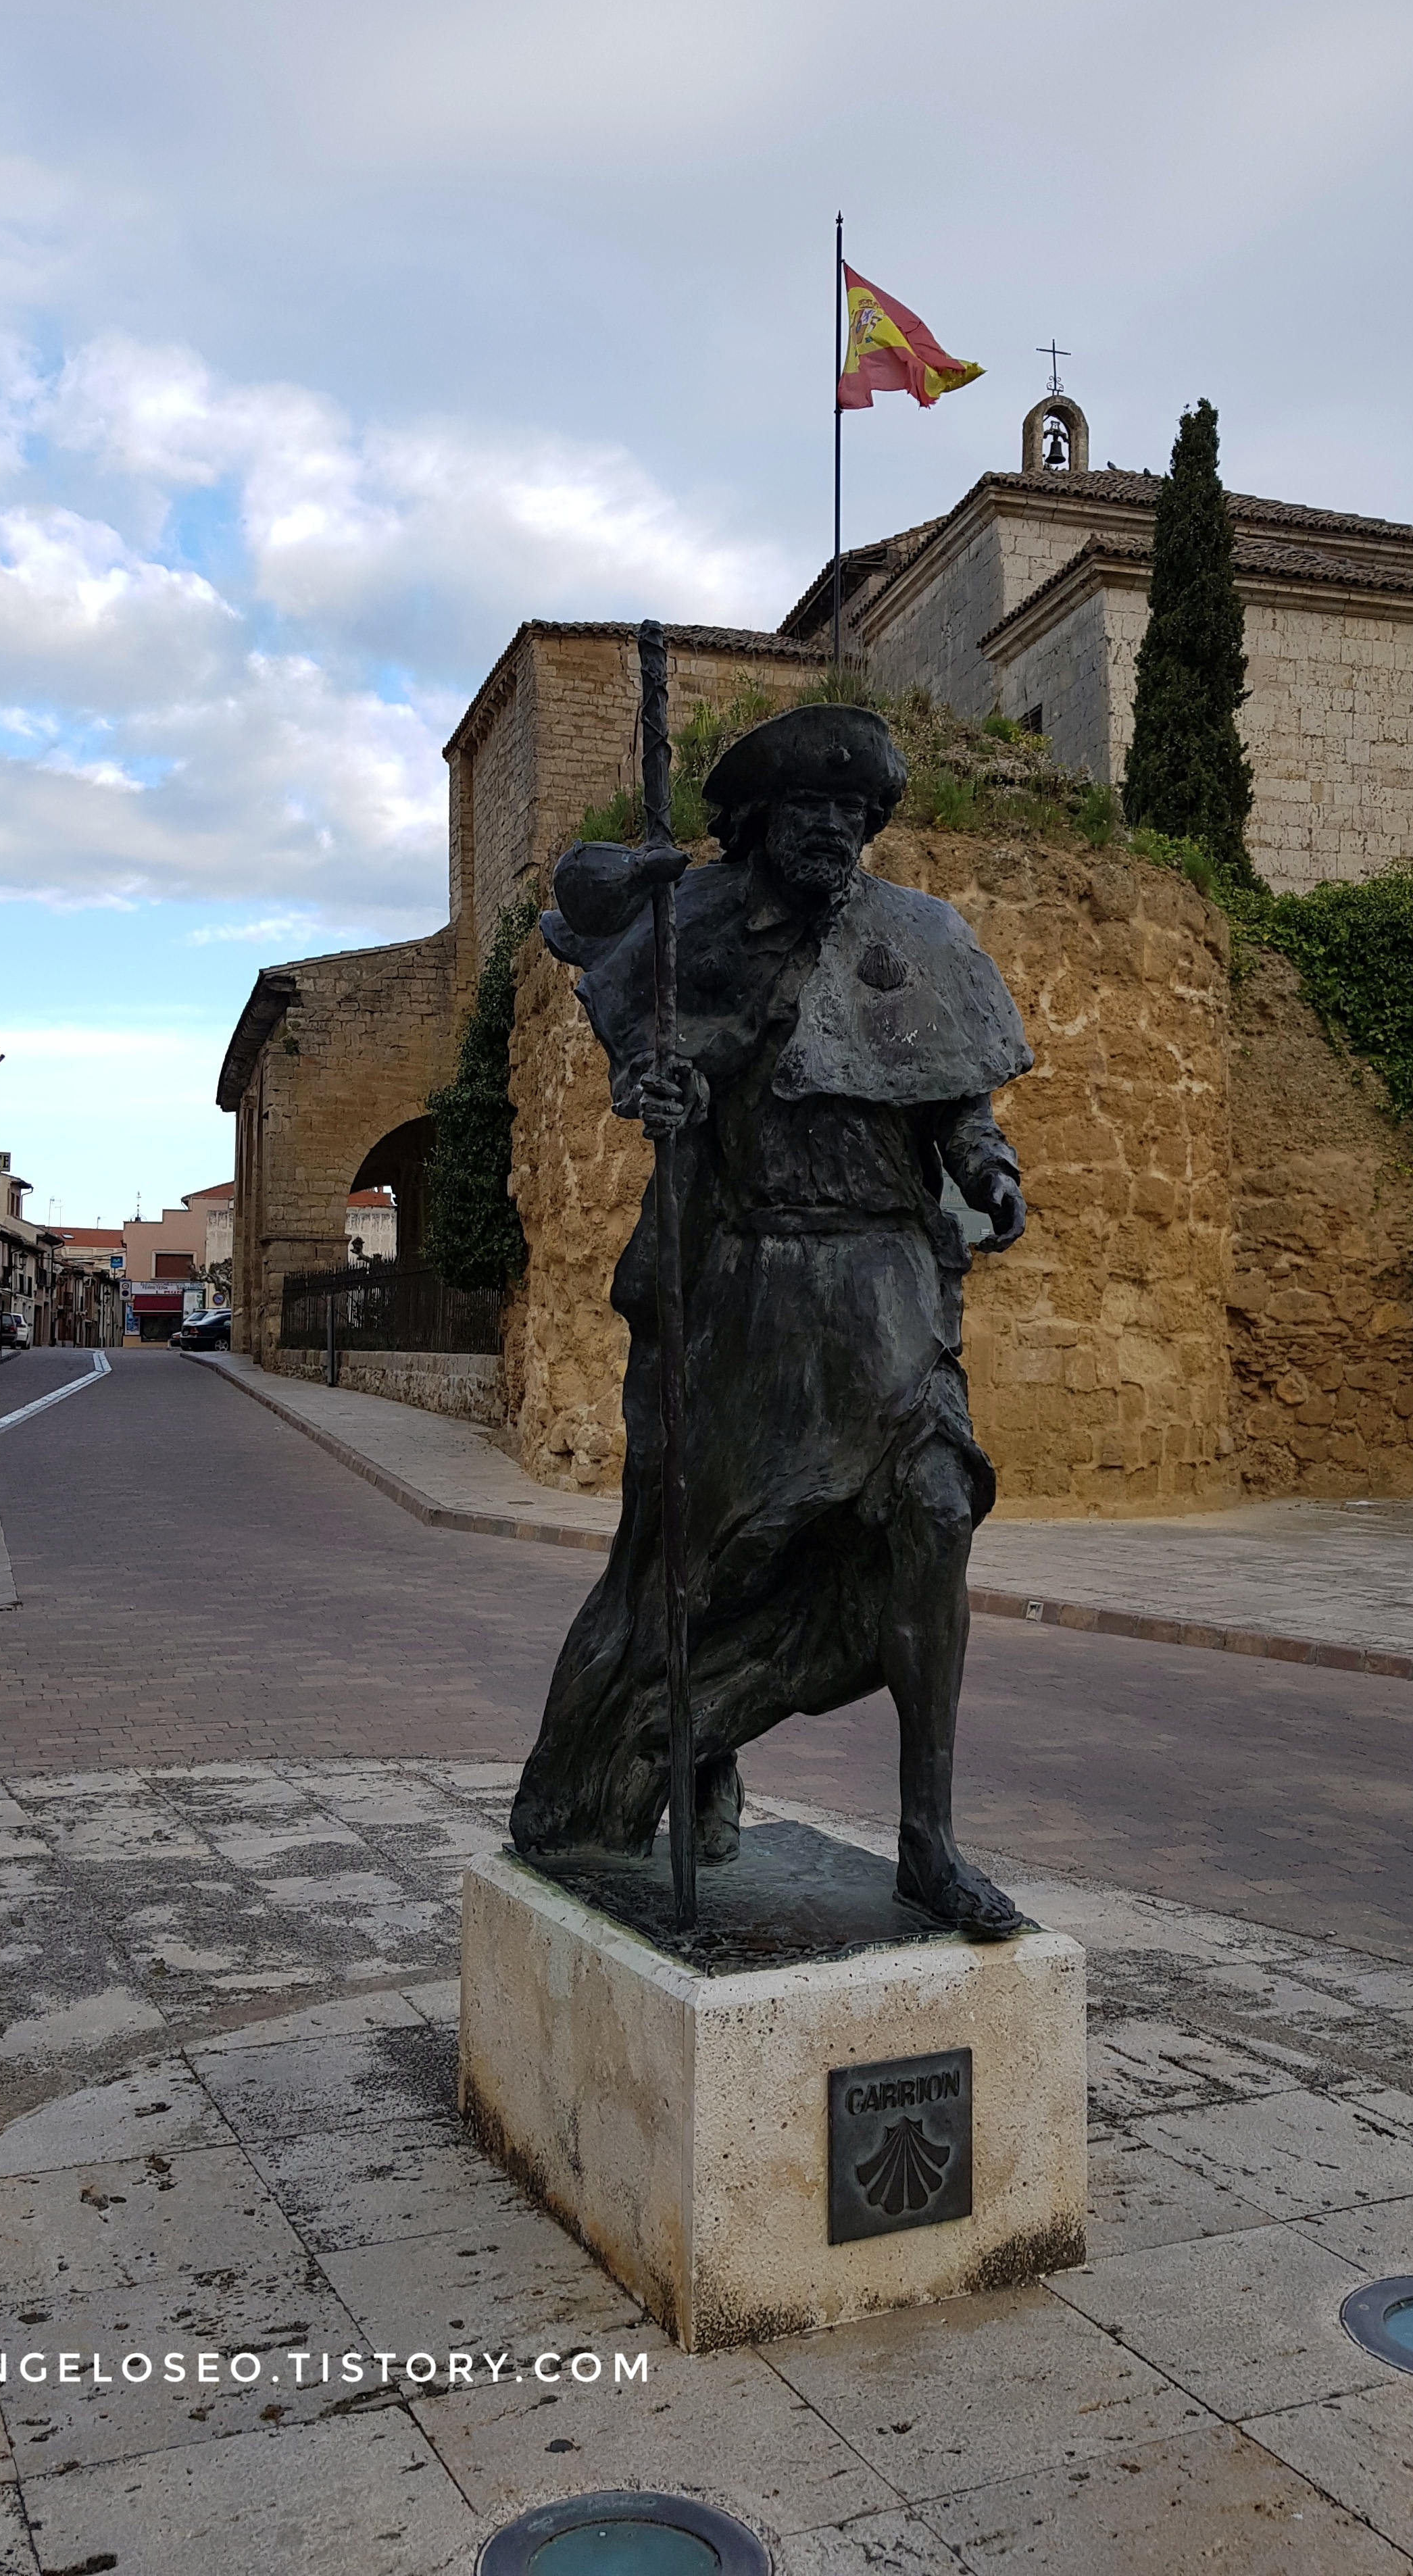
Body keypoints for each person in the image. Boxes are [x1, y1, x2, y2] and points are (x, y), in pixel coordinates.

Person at [507, 705, 1032, 1936]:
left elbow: (954, 1100)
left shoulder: (919, 936)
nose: (834, 833)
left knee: (935, 1511)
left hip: (892, 1289)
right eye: (809, 812)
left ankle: (928, 1843)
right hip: (751, 1300)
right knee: (711, 1571)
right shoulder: (690, 930)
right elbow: (625, 1001)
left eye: (853, 815)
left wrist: (990, 1168)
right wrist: (665, 1090)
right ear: (757, 823)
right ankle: (685, 1753)